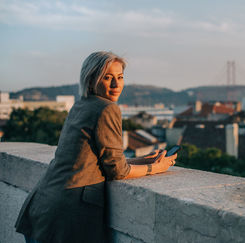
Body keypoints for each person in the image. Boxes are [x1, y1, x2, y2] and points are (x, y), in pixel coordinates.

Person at [15, 51, 177, 243]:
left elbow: (92, 160)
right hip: (67, 214)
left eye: (120, 77)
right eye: (108, 78)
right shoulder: (107, 108)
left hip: (43, 205)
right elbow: (117, 171)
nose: (116, 85)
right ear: (91, 81)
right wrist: (155, 168)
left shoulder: (81, 105)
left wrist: (142, 160)